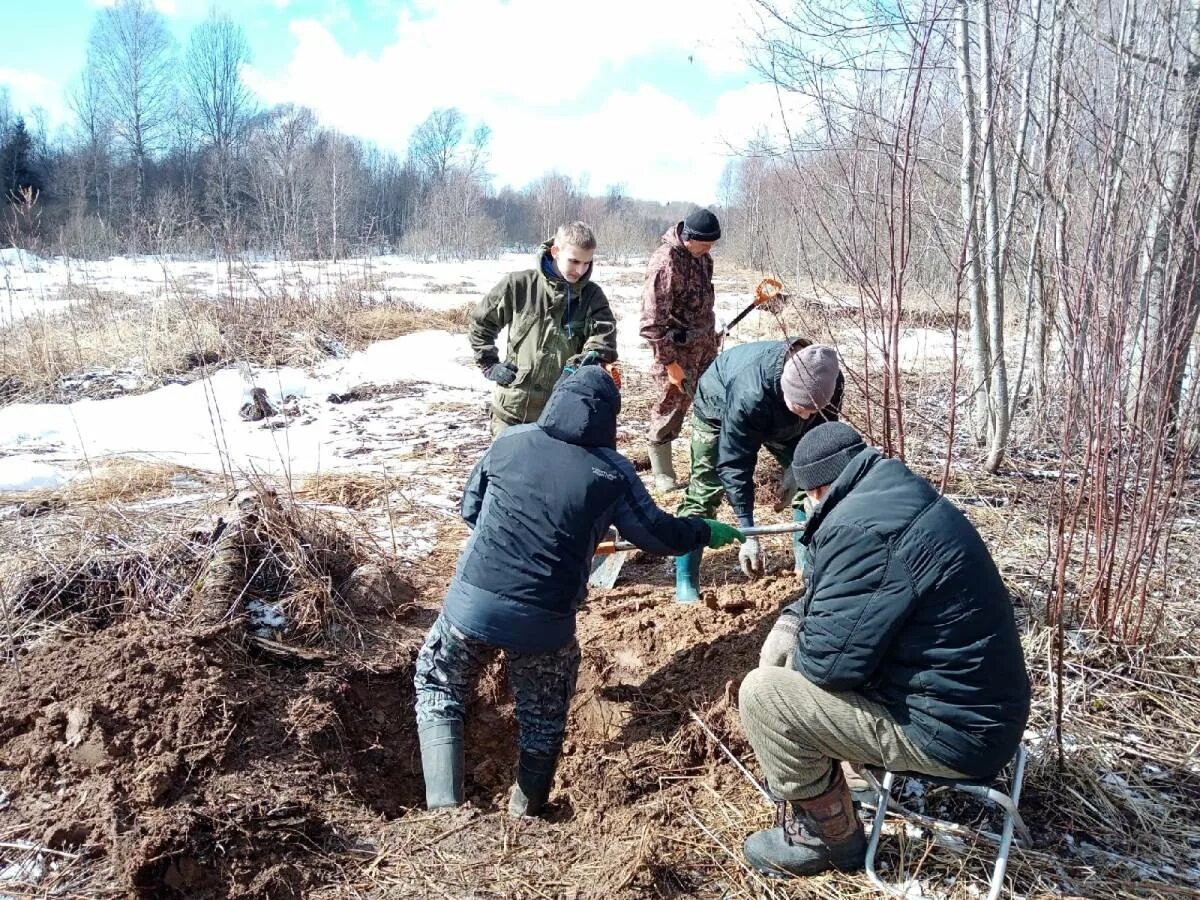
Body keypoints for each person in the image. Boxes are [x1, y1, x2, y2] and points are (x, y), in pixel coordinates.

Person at [413, 365, 744, 817]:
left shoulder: (509, 440)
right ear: (609, 416)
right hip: (546, 625)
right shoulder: (611, 472)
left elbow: (471, 509)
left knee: (439, 683)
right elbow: (656, 535)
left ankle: (444, 811)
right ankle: (525, 818)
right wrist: (702, 530)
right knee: (542, 719)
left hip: (471, 604)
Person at [737, 422, 1031, 878]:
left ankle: (829, 840)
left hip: (954, 733)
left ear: (817, 489)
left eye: (805, 497)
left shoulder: (861, 532)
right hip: (980, 711)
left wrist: (792, 652)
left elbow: (826, 667)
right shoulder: (890, 496)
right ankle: (848, 778)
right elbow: (848, 590)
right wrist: (794, 616)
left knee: (765, 696)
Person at [673, 339, 843, 602]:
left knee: (812, 481)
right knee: (704, 491)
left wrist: (797, 470)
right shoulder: (750, 393)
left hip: (780, 420)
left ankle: (804, 566)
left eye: (814, 410)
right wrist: (747, 533)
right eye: (802, 408)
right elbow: (734, 462)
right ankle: (686, 585)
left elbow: (822, 434)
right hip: (718, 408)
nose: (807, 417)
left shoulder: (828, 379)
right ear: (786, 390)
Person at [469, 221, 617, 437]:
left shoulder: (593, 297)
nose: (581, 270)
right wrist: (489, 364)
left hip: (562, 415)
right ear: (556, 252)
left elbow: (603, 340)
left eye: (587, 263)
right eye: (574, 261)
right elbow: (481, 323)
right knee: (506, 469)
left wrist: (573, 370)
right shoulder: (518, 285)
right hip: (512, 412)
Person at [639, 208, 722, 491]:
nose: (710, 249)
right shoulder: (665, 263)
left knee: (712, 404)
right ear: (690, 238)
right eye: (706, 243)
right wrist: (669, 363)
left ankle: (708, 466)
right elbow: (651, 324)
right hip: (676, 351)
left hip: (705, 348)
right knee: (670, 408)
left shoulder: (703, 259)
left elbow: (702, 306)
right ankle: (662, 472)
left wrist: (711, 336)